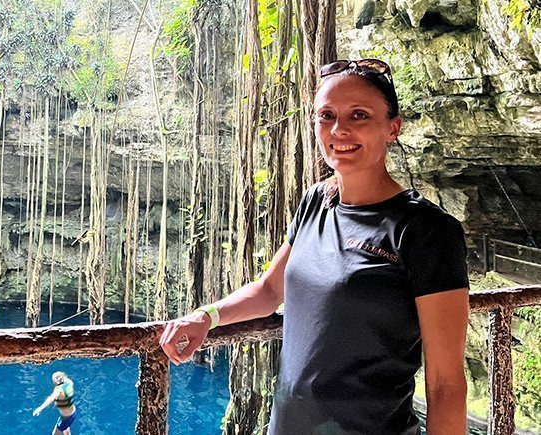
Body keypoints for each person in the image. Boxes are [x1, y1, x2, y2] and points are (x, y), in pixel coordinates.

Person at [160, 59, 470, 434]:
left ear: (393, 127)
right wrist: (206, 317)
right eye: (326, 116)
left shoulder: (426, 231)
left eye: (359, 115)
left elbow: (445, 383)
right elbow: (271, 289)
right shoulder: (316, 202)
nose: (339, 129)